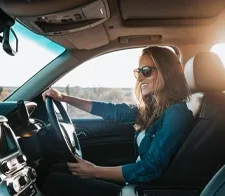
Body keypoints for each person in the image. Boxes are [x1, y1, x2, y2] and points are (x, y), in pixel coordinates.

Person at [41, 46, 194, 196]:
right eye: (138, 71)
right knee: (57, 169)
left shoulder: (177, 114)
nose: (140, 77)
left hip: (145, 189)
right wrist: (64, 98)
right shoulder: (153, 109)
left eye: (146, 71)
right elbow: (112, 110)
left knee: (55, 181)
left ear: (166, 73)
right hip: (135, 181)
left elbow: (150, 168)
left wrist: (95, 171)